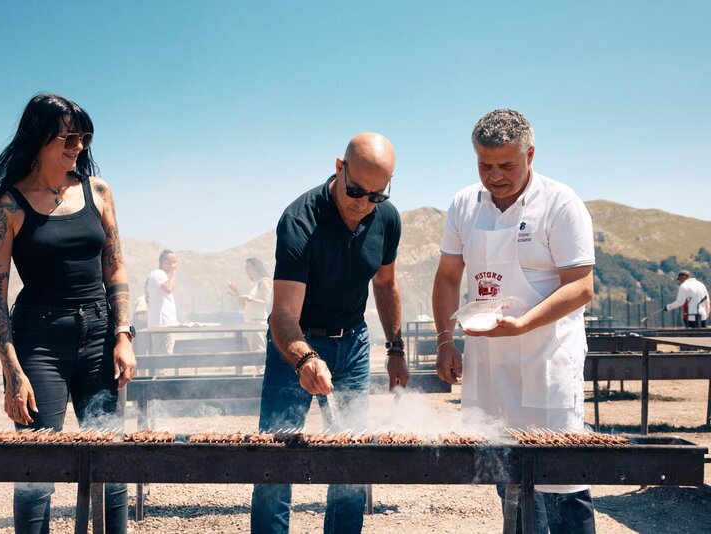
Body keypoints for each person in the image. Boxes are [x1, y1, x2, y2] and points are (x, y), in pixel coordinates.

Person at [432, 109, 597, 533]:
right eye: (485, 165)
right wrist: (445, 341)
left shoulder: (561, 203)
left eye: (506, 165)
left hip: (547, 358)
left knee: (560, 479)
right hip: (489, 361)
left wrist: (524, 325)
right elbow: (449, 277)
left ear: (531, 155)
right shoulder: (465, 204)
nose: (495, 176)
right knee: (504, 470)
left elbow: (580, 286)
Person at [0, 93, 135, 534]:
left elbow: (116, 265)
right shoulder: (6, 206)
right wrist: (11, 371)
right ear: (39, 137)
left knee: (110, 462)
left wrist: (123, 334)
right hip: (39, 340)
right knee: (36, 468)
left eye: (84, 137)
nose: (79, 146)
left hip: (100, 334)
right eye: (69, 137)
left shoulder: (98, 191)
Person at [250, 132, 410, 534]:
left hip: (353, 343)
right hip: (296, 345)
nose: (364, 204)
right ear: (339, 168)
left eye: (377, 195)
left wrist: (395, 348)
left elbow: (386, 285)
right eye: (356, 190)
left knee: (351, 459)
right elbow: (282, 315)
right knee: (276, 458)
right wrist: (305, 357)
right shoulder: (299, 220)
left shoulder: (387, 219)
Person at [227, 257, 273, 351]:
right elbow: (245, 307)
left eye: (248, 267)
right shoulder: (253, 284)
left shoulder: (264, 281)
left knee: (259, 354)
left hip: (258, 324)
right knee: (255, 353)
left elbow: (266, 302)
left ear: (256, 268)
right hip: (250, 324)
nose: (246, 270)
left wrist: (249, 298)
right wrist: (236, 294)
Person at [144, 250, 179, 354]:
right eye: (174, 262)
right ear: (165, 263)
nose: (175, 265)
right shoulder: (159, 274)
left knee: (160, 360)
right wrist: (173, 274)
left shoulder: (155, 275)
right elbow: (168, 288)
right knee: (164, 360)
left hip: (159, 325)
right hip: (163, 325)